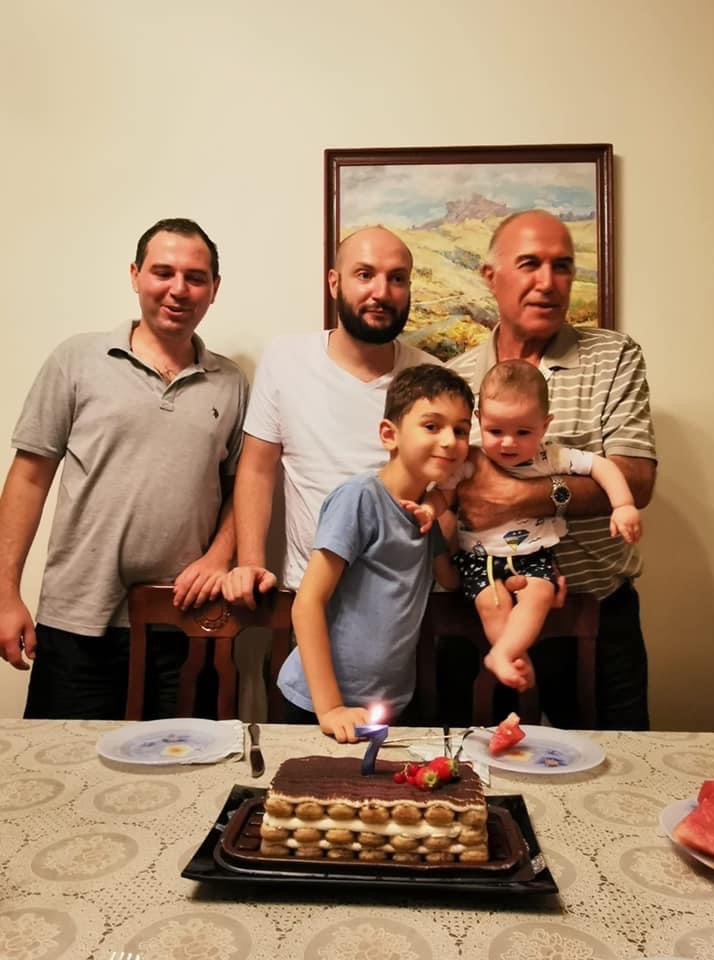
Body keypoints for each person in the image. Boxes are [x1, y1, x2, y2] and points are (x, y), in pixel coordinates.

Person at [0, 217, 249, 719]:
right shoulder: (76, 359)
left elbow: (243, 490)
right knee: (68, 763)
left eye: (195, 277)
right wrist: (5, 594)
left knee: (188, 766)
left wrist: (219, 556)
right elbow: (28, 478)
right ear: (135, 275)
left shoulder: (231, 382)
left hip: (184, 623)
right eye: (163, 272)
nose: (178, 289)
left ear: (214, 289)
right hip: (78, 621)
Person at [445, 209, 657, 730]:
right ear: (490, 276)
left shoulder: (613, 356)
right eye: (530, 264)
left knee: (615, 767)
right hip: (481, 611)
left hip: (596, 615)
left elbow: (636, 479)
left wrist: (518, 497)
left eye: (562, 266)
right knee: (476, 766)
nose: (548, 281)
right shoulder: (453, 377)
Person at [222, 226, 439, 608]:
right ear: (334, 283)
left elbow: (448, 488)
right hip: (308, 600)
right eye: (365, 274)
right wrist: (250, 563)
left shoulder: (432, 379)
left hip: (403, 606)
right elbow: (256, 469)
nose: (381, 292)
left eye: (397, 278)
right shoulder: (286, 360)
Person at [410, 359, 642, 693]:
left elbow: (601, 466)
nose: (508, 443)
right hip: (480, 558)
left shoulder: (552, 457)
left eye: (523, 432)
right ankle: (512, 657)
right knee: (492, 605)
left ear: (544, 426)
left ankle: (504, 654)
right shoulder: (469, 461)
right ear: (479, 420)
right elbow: (443, 495)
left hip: (534, 554)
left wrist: (623, 505)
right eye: (496, 431)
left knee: (540, 594)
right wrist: (427, 510)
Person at [279, 364, 474, 742]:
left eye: (461, 430)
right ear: (389, 435)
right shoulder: (359, 498)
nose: (450, 441)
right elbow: (307, 603)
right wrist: (330, 707)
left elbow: (451, 580)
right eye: (432, 426)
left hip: (391, 704)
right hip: (319, 705)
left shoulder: (427, 517)